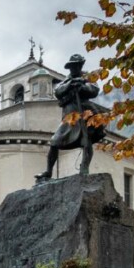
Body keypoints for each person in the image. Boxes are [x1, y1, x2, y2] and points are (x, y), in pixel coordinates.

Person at [35, 53, 108, 183]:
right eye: (72, 66)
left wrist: (82, 86)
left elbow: (94, 90)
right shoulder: (66, 80)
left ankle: (84, 168)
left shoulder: (86, 77)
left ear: (81, 65)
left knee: (86, 142)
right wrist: (71, 84)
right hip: (70, 117)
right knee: (54, 142)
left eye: (77, 65)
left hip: (85, 113)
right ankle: (48, 171)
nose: (74, 68)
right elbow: (58, 91)